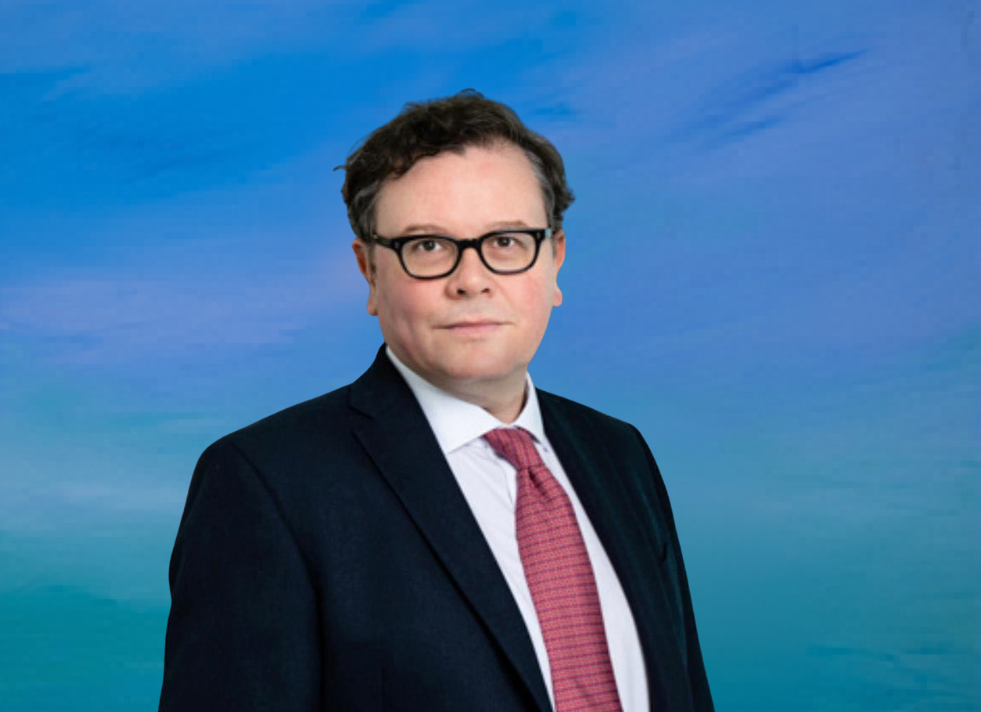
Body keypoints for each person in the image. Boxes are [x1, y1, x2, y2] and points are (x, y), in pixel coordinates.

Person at [158, 88, 714, 712]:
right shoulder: (266, 485)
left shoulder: (620, 454)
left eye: (506, 241)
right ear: (370, 271)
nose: (471, 279)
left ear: (554, 259)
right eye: (428, 246)